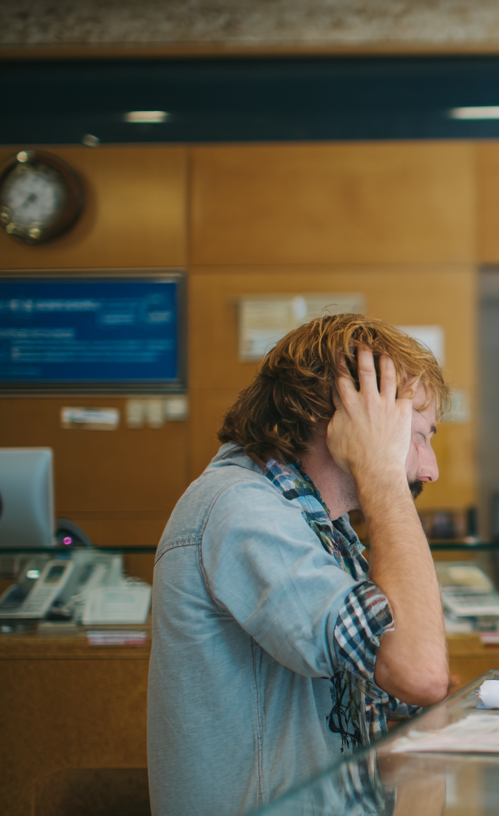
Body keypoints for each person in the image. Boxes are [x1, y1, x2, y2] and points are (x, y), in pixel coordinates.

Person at [148, 314, 451, 815]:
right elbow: (419, 674)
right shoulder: (239, 508)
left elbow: (404, 692)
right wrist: (382, 476)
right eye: (416, 436)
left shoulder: (319, 524)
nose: (430, 468)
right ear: (341, 420)